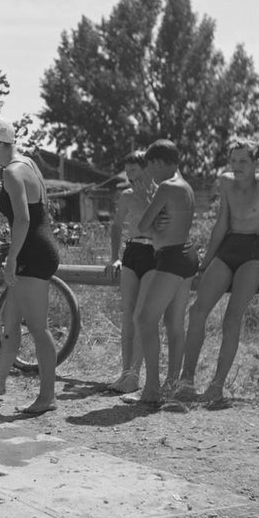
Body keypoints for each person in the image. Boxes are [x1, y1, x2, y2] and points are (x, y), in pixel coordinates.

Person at [176, 138, 259, 403]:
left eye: (243, 161)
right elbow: (221, 223)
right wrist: (204, 262)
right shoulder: (226, 182)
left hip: (253, 252)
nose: (237, 166)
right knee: (197, 309)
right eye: (233, 160)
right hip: (228, 248)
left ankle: (216, 386)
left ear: (255, 161)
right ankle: (186, 381)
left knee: (231, 316)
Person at [0, 118, 60, 414]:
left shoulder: (12, 172)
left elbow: (23, 219)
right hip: (36, 245)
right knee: (10, 321)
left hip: (31, 253)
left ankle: (47, 396)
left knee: (38, 327)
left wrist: (12, 258)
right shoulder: (28, 163)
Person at [127, 139, 198, 405]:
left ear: (157, 163)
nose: (149, 174)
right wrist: (157, 221)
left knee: (145, 320)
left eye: (150, 167)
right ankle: (171, 385)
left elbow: (143, 225)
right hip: (187, 255)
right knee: (173, 324)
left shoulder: (166, 187)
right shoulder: (186, 186)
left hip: (171, 258)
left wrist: (150, 209)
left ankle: (152, 389)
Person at [103, 151, 157, 393]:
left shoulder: (161, 193)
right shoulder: (127, 196)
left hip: (154, 254)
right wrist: (114, 258)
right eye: (128, 171)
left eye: (134, 170)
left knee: (140, 317)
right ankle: (125, 374)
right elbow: (116, 226)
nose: (130, 176)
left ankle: (135, 376)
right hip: (132, 252)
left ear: (146, 168)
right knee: (128, 317)